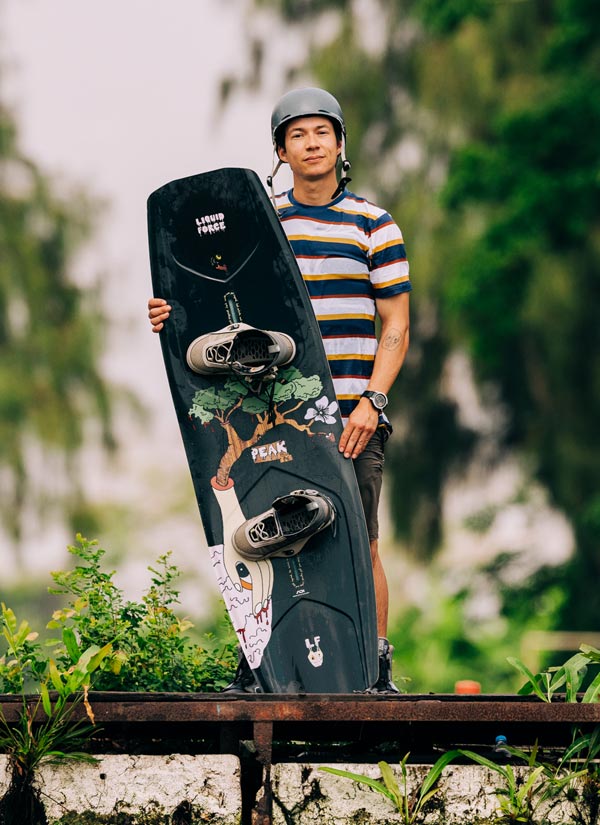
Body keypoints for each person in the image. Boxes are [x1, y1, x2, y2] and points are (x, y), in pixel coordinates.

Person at [148, 87, 411, 693]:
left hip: (347, 411)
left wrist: (372, 401)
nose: (312, 143)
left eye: (322, 132)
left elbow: (395, 325)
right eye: (298, 135)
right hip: (265, 411)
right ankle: (259, 665)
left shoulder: (374, 224)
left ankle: (372, 669)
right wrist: (173, 314)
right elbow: (214, 296)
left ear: (341, 144)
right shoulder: (263, 226)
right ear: (280, 151)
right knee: (260, 535)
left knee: (359, 538)